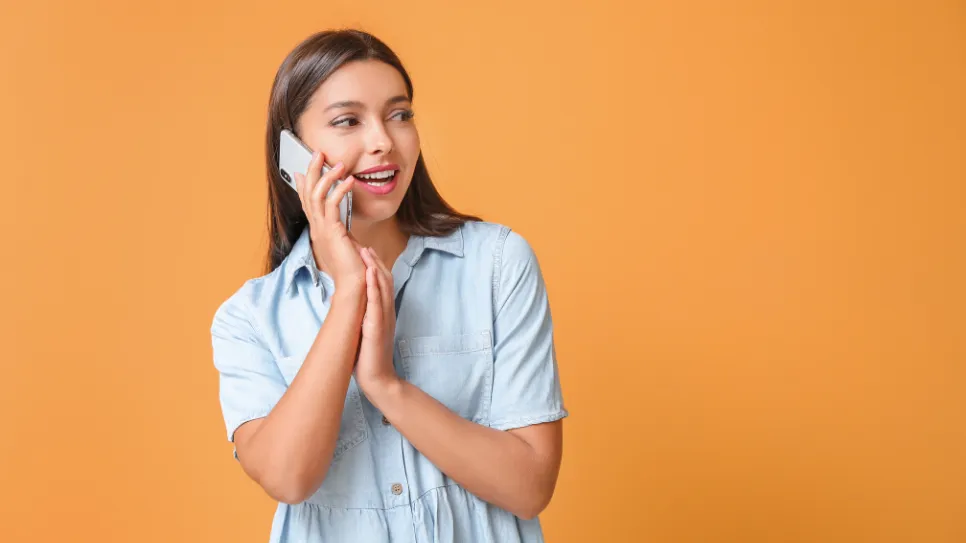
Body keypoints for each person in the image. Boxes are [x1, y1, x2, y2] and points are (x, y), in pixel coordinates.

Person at [210, 29, 568, 543]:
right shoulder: (248, 318)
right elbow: (288, 477)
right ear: (292, 153)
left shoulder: (495, 263)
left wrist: (385, 385)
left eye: (399, 115)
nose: (383, 140)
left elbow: (530, 485)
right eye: (347, 121)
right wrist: (350, 291)